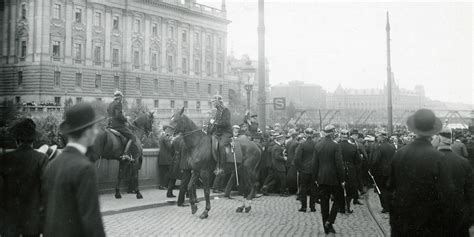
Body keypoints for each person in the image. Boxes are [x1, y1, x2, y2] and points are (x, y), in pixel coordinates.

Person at [388, 109, 454, 236]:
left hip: (403, 221)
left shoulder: (400, 154)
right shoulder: (439, 157)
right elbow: (447, 194)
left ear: (414, 130)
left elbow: (391, 188)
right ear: (432, 132)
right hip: (429, 223)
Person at [42, 103, 106, 237]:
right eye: (94, 127)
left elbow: (45, 213)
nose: (96, 132)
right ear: (87, 132)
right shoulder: (85, 168)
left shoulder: (52, 164)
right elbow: (92, 222)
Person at [1, 118, 48, 237]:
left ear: (16, 140)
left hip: (9, 223)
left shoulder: (4, 159)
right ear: (33, 140)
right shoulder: (41, 159)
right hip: (32, 222)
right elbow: (46, 191)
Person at [433, 128, 474, 236]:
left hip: (436, 217)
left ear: (437, 139)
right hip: (459, 216)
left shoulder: (429, 162)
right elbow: (470, 194)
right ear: (451, 140)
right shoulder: (464, 163)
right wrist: (469, 219)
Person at [313, 125, 345, 234]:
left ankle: (326, 226)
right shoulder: (336, 146)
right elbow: (339, 164)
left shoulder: (318, 145)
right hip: (334, 178)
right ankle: (330, 221)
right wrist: (342, 179)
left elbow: (315, 163)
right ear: (332, 133)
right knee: (338, 200)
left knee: (324, 202)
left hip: (321, 178)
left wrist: (316, 178)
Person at [107, 90, 139, 159]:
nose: (122, 99)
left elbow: (111, 114)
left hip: (110, 125)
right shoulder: (118, 104)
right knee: (132, 137)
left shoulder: (110, 104)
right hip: (117, 126)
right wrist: (126, 118)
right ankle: (126, 153)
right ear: (120, 97)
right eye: (122, 97)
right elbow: (118, 115)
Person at [371, 130, 396, 213]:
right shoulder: (392, 146)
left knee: (381, 189)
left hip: (381, 172)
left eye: (378, 136)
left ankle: (385, 207)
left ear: (382, 137)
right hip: (391, 171)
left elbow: (376, 160)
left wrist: (372, 170)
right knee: (389, 189)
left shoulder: (379, 147)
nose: (377, 138)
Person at [294, 128, 317, 212]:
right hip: (313, 170)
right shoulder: (316, 144)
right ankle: (313, 206)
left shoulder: (302, 145)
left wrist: (300, 168)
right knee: (313, 188)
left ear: (305, 134)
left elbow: (297, 158)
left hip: (304, 170)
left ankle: (304, 207)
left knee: (303, 188)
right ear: (312, 134)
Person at [208, 94, 232, 174]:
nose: (213, 103)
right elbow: (214, 124)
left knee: (221, 145)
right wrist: (209, 131)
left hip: (226, 132)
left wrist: (215, 122)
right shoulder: (217, 111)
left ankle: (222, 167)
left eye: (214, 101)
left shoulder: (226, 110)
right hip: (218, 133)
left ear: (218, 101)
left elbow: (226, 122)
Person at [339, 129, 360, 214]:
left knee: (340, 189)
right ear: (348, 136)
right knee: (350, 189)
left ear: (341, 136)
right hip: (350, 170)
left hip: (340, 169)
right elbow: (358, 160)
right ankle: (348, 205)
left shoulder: (337, 146)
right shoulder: (353, 147)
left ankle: (341, 207)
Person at [157, 124, 176, 198]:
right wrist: (172, 141)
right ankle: (163, 185)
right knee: (167, 173)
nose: (170, 131)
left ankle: (163, 185)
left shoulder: (163, 136)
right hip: (166, 158)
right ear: (165, 130)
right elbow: (170, 147)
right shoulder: (165, 137)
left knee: (163, 172)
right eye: (169, 129)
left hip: (163, 158)